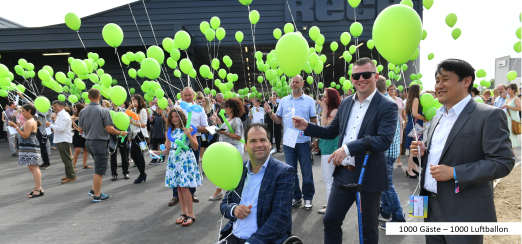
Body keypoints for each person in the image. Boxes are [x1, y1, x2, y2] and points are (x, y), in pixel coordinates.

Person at [293, 57, 398, 244]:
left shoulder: (387, 106)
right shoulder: (347, 103)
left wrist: (349, 148)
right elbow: (331, 131)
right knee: (331, 220)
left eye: (366, 74)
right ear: (351, 78)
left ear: (376, 76)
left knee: (368, 230)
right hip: (343, 174)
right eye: (356, 75)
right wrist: (307, 126)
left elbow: (383, 140)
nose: (361, 79)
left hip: (369, 176)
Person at [410, 59, 515, 244]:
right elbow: (444, 153)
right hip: (432, 208)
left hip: (464, 210)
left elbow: (503, 162)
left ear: (466, 82)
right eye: (436, 81)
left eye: (444, 80)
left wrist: (454, 172)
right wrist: (423, 152)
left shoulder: (489, 115)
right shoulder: (437, 116)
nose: (438, 86)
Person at [219, 123, 295, 243]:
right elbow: (224, 204)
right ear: (245, 146)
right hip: (233, 236)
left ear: (270, 144)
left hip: (263, 239)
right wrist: (234, 209)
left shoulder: (283, 172)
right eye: (253, 141)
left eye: (263, 140)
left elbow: (280, 218)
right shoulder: (239, 170)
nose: (259, 145)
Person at [264, 75, 317, 210]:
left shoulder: (309, 101)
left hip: (304, 141)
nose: (294, 84)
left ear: (302, 83)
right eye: (292, 82)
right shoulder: (284, 101)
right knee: (290, 171)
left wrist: (315, 139)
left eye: (297, 82)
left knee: (306, 171)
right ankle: (296, 197)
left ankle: (308, 198)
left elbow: (314, 121)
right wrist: (270, 113)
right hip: (288, 142)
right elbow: (278, 120)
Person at [79, 89, 128, 202]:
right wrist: (121, 132)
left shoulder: (83, 111)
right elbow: (109, 128)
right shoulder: (104, 111)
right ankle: (97, 195)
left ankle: (94, 190)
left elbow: (80, 129)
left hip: (88, 141)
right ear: (99, 96)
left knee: (98, 166)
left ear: (89, 97)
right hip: (99, 142)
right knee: (99, 170)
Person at [162, 108, 202, 227]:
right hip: (174, 160)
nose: (174, 119)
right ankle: (183, 213)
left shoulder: (189, 128)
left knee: (185, 188)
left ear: (181, 117)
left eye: (176, 117)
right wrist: (160, 151)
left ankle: (191, 214)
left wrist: (189, 135)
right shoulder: (169, 131)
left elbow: (195, 147)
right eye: (172, 117)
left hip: (185, 159)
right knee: (179, 187)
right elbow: (168, 149)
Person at [376, 77, 405, 227]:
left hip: (385, 152)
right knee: (383, 185)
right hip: (388, 151)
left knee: (386, 185)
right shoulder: (387, 101)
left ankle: (399, 217)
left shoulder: (384, 103)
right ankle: (386, 211)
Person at [209, 97, 245, 201]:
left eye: (227, 106)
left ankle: (233, 193)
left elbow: (238, 136)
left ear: (232, 108)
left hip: (233, 149)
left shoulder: (237, 120)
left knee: (231, 172)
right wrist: (217, 121)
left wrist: (224, 132)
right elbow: (224, 127)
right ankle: (220, 191)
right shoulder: (228, 119)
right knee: (222, 170)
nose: (224, 108)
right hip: (225, 148)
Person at [9, 104, 44, 198]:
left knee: (34, 167)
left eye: (23, 111)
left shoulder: (30, 121)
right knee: (32, 167)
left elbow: (25, 135)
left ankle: (38, 189)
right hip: (28, 147)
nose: (22, 113)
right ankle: (38, 188)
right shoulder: (30, 121)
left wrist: (15, 127)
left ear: (29, 111)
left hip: (30, 147)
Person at [316, 88, 340, 215]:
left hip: (331, 149)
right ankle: (331, 203)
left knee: (329, 179)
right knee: (328, 179)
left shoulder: (335, 111)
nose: (323, 99)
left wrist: (324, 108)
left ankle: (331, 208)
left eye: (325, 97)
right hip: (326, 147)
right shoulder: (331, 110)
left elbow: (325, 125)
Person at [47, 100, 75, 184]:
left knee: (66, 159)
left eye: (55, 106)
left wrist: (50, 125)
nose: (54, 108)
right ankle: (69, 175)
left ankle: (71, 176)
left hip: (63, 139)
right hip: (61, 138)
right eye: (53, 106)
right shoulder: (61, 114)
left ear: (61, 106)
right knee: (65, 158)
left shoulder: (63, 115)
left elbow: (61, 128)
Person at [404, 84, 426, 178]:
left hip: (412, 125)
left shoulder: (410, 100)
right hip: (416, 125)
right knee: (414, 149)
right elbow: (415, 114)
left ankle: (413, 167)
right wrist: (424, 118)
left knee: (413, 149)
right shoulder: (416, 99)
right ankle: (409, 170)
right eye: (419, 89)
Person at [129, 94, 149, 184]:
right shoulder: (133, 110)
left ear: (139, 101)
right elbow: (125, 114)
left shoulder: (143, 110)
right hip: (134, 135)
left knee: (139, 155)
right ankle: (142, 173)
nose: (133, 102)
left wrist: (132, 122)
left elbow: (144, 124)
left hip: (140, 135)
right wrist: (129, 107)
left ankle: (142, 174)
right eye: (132, 100)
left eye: (134, 100)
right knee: (134, 154)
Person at [110, 102, 130, 181]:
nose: (114, 102)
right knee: (113, 156)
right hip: (112, 136)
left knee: (124, 156)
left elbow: (127, 122)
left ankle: (126, 172)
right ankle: (114, 174)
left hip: (123, 136)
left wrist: (128, 134)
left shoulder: (124, 111)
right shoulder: (108, 112)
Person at [387, 84, 406, 167]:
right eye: (390, 89)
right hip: (389, 123)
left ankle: (398, 160)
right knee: (389, 141)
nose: (392, 91)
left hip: (399, 122)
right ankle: (388, 159)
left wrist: (405, 121)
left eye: (394, 89)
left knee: (400, 141)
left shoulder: (399, 100)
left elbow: (403, 112)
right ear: (387, 91)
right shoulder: (386, 99)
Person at [71, 103, 91, 170]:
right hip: (77, 135)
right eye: (74, 108)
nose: (74, 109)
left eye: (75, 108)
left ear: (79, 108)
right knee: (77, 150)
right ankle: (73, 166)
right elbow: (73, 124)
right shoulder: (73, 116)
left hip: (85, 134)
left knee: (86, 150)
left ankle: (85, 164)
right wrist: (78, 129)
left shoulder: (85, 115)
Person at [503, 83, 521, 148]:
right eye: (507, 89)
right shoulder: (508, 98)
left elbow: (520, 108)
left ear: (513, 90)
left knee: (512, 136)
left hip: (513, 118)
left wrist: (508, 107)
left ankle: (512, 152)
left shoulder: (516, 98)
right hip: (507, 118)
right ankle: (510, 151)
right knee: (508, 134)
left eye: (509, 89)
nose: (507, 90)